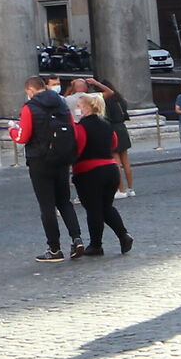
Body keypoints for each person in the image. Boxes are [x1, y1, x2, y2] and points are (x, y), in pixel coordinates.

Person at [15, 75, 83, 262]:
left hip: (40, 159)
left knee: (47, 206)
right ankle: (77, 238)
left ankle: (54, 248)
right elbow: (72, 128)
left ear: (30, 90)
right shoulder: (61, 104)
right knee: (64, 201)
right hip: (61, 157)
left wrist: (12, 130)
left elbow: (23, 136)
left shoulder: (30, 107)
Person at [70, 93, 132, 256]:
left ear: (86, 107)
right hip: (110, 169)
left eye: (79, 105)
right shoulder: (106, 124)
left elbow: (79, 148)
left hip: (89, 171)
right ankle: (123, 235)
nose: (77, 108)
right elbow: (114, 144)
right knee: (106, 206)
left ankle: (96, 244)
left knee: (93, 209)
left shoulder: (82, 127)